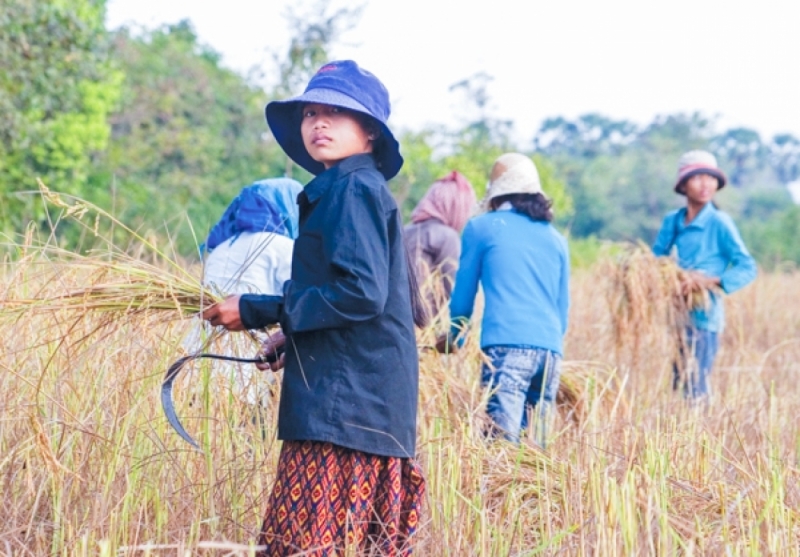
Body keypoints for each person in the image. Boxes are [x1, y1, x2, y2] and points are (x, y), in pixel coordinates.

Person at [201, 60, 426, 556]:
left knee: (309, 545)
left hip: (347, 411)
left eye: (336, 114)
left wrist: (261, 310)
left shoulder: (353, 189)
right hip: (357, 403)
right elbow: (353, 299)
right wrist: (294, 335)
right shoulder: (347, 188)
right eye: (310, 113)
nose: (318, 123)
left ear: (369, 132)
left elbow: (361, 293)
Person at [446, 153, 570, 448]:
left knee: (501, 451)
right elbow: (562, 308)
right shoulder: (556, 238)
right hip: (550, 352)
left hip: (507, 348)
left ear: (496, 193)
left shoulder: (482, 227)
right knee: (536, 459)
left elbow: (463, 297)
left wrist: (454, 337)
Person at [183, 178, 302, 409]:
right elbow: (300, 302)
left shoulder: (221, 248)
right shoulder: (281, 247)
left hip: (196, 362)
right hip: (244, 369)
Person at [652, 150, 757, 401]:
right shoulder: (673, 221)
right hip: (677, 315)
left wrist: (709, 281)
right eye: (697, 178)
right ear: (683, 185)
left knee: (695, 386)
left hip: (705, 318)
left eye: (709, 178)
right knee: (678, 385)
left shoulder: (720, 222)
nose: (705, 184)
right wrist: (671, 277)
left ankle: (698, 436)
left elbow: (747, 266)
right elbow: (655, 261)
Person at [404, 171, 476, 321]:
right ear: (458, 207)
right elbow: (455, 293)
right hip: (421, 330)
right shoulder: (447, 237)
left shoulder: (403, 231)